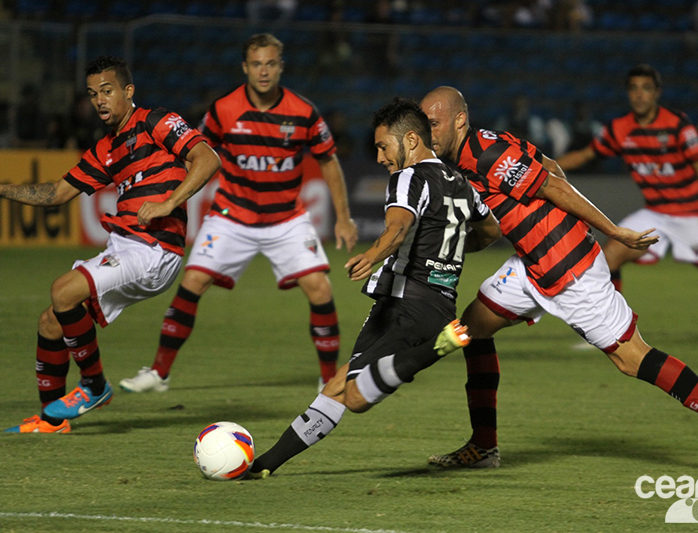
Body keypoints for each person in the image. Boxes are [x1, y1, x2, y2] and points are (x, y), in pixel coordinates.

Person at [420, 86, 698, 478]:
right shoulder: (481, 145)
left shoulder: (487, 153)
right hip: (531, 265)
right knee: (473, 328)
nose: (426, 132)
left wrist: (613, 232)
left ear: (459, 120)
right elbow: (550, 165)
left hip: (571, 271)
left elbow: (554, 184)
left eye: (433, 123)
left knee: (632, 359)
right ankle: (483, 446)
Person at [247, 97, 502, 478]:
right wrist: (446, 249)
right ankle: (265, 465)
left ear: (411, 140)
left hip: (408, 305)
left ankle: (438, 347)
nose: (380, 157)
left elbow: (397, 227)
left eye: (383, 146)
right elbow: (490, 231)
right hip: (429, 303)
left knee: (355, 397)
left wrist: (375, 253)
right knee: (339, 384)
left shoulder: (408, 178)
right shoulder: (461, 183)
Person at [119, 33, 358, 394]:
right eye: (257, 64)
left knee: (320, 288)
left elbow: (328, 160)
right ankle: (158, 373)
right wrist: (170, 197)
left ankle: (328, 379)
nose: (264, 71)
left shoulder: (303, 112)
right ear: (245, 67)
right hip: (231, 214)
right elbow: (195, 154)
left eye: (270, 64)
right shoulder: (222, 110)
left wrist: (343, 217)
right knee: (193, 282)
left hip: (286, 218)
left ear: (281, 67)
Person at [2, 56, 221, 433]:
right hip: (123, 247)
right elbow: (57, 193)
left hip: (154, 249)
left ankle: (94, 385)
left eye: (107, 91)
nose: (100, 101)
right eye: (92, 95)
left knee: (63, 290)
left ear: (127, 91)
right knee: (51, 321)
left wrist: (169, 202)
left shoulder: (156, 122)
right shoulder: (106, 148)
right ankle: (50, 418)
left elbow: (207, 158)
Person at [557, 64, 698, 357]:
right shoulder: (619, 128)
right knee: (609, 255)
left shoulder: (677, 124)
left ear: (657, 93)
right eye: (634, 89)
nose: (639, 95)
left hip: (689, 212)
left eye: (646, 89)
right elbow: (586, 155)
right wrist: (546, 165)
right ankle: (611, 332)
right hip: (655, 213)